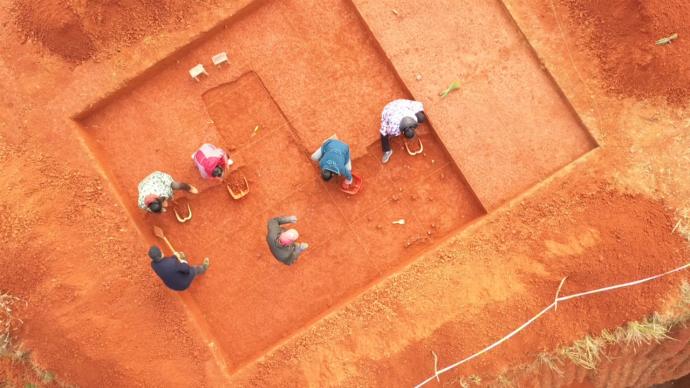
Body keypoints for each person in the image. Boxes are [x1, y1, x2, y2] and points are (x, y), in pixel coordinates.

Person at [379, 99, 426, 163]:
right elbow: (383, 131)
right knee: (384, 134)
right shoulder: (393, 128)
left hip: (401, 105)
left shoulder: (413, 117)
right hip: (388, 110)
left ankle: (409, 129)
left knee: (421, 117)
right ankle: (387, 151)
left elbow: (419, 105)